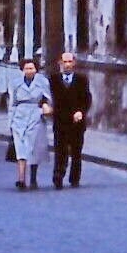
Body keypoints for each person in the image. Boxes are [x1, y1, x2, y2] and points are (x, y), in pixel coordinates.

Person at [48, 51, 92, 189]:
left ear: (74, 63)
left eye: (70, 62)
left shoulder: (81, 79)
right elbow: (47, 96)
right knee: (60, 149)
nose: (67, 65)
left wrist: (81, 111)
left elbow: (87, 98)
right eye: (64, 62)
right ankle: (58, 176)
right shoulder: (53, 79)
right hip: (60, 120)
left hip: (76, 121)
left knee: (76, 151)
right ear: (60, 63)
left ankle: (74, 178)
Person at [8, 57, 53, 190]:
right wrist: (10, 122)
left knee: (33, 148)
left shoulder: (42, 82)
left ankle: (33, 178)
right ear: (22, 69)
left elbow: (48, 98)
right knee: (21, 148)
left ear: (36, 69)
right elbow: (12, 103)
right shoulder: (15, 83)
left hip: (35, 114)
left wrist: (45, 107)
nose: (29, 71)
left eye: (32, 68)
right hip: (20, 116)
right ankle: (21, 178)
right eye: (26, 68)